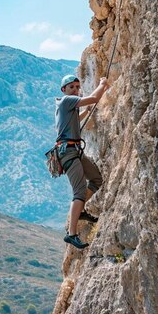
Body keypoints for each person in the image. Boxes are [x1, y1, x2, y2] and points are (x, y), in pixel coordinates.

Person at [56, 74, 109, 249]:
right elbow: (93, 97)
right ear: (64, 90)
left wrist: (87, 110)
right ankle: (71, 234)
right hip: (69, 152)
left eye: (78, 87)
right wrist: (102, 84)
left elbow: (76, 119)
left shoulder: (68, 107)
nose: (75, 90)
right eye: (71, 87)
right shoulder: (66, 101)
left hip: (74, 150)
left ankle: (80, 211)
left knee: (96, 179)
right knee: (78, 191)